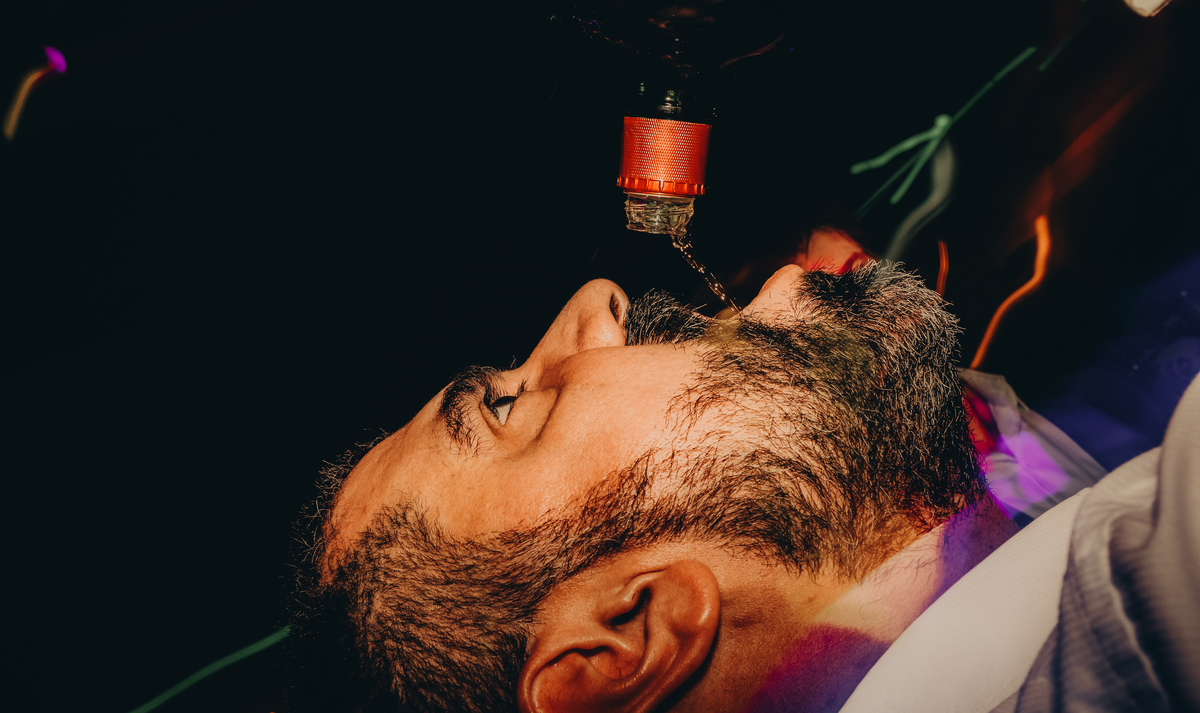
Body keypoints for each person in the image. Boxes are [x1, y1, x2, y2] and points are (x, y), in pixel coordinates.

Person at [282, 255, 1200, 712]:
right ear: (629, 636)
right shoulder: (1153, 622)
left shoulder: (1034, 525)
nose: (596, 301)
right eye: (505, 406)